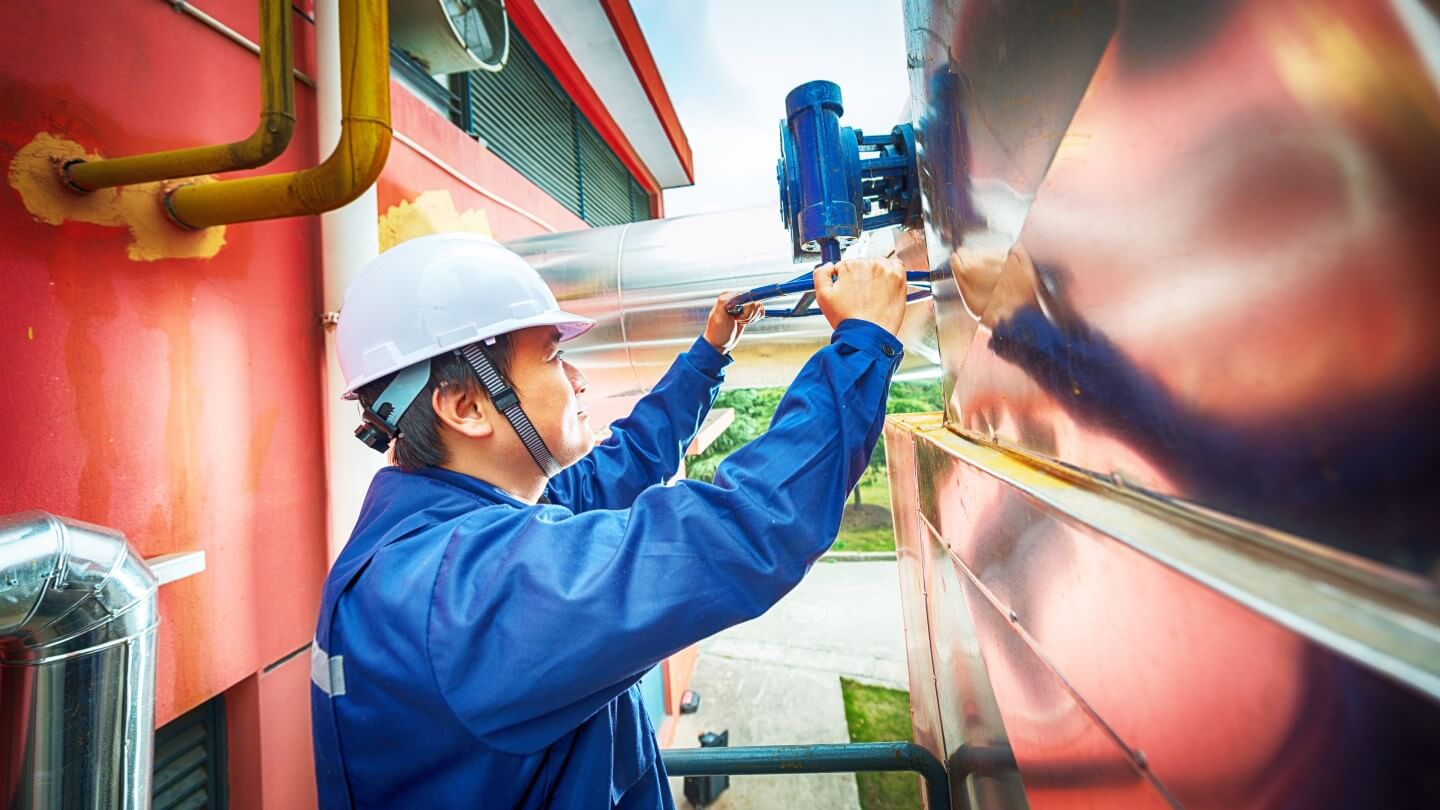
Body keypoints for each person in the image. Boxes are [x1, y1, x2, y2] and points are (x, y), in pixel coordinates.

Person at [311, 232, 909, 808]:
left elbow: (623, 464)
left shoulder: (448, 530)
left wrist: (710, 354)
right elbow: (741, 531)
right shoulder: (463, 595)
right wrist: (861, 342)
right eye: (554, 356)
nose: (578, 379)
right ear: (467, 407)